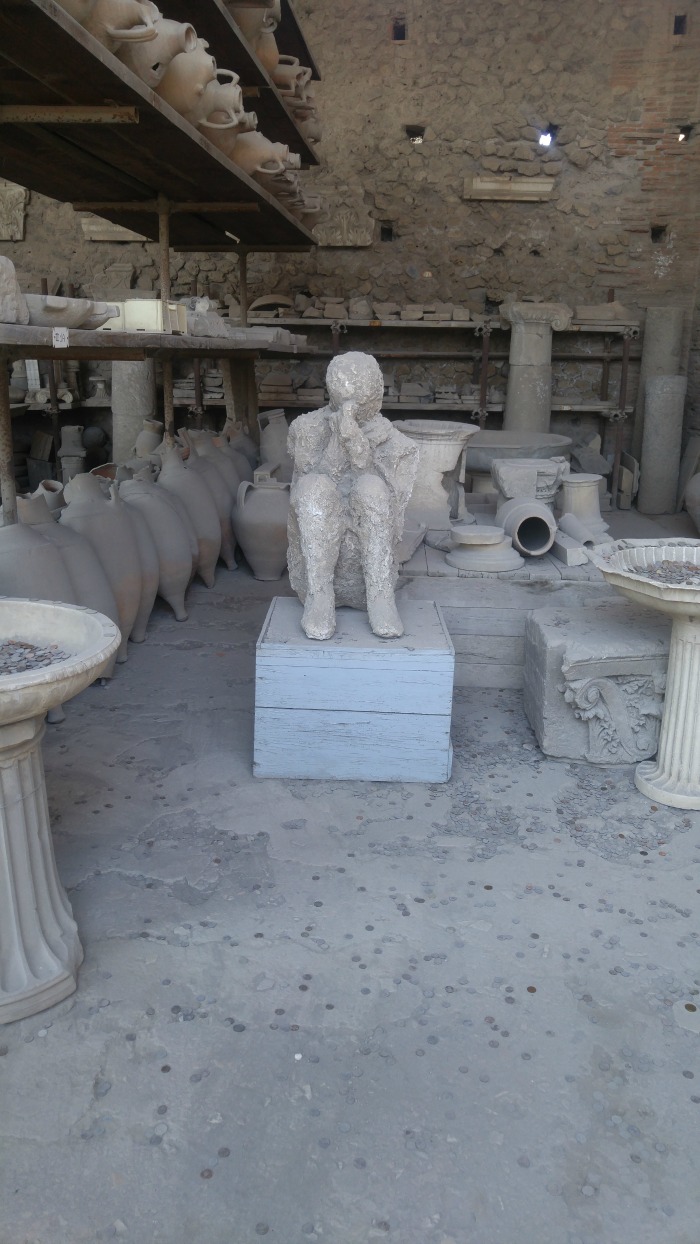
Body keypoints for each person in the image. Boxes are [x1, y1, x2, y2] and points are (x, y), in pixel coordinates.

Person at [287, 351, 418, 640]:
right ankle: (319, 595)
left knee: (371, 488)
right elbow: (307, 482)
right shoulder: (306, 428)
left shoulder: (397, 443)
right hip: (323, 525)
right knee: (314, 488)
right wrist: (337, 439)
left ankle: (380, 596)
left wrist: (357, 444)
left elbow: (394, 504)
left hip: (367, 536)